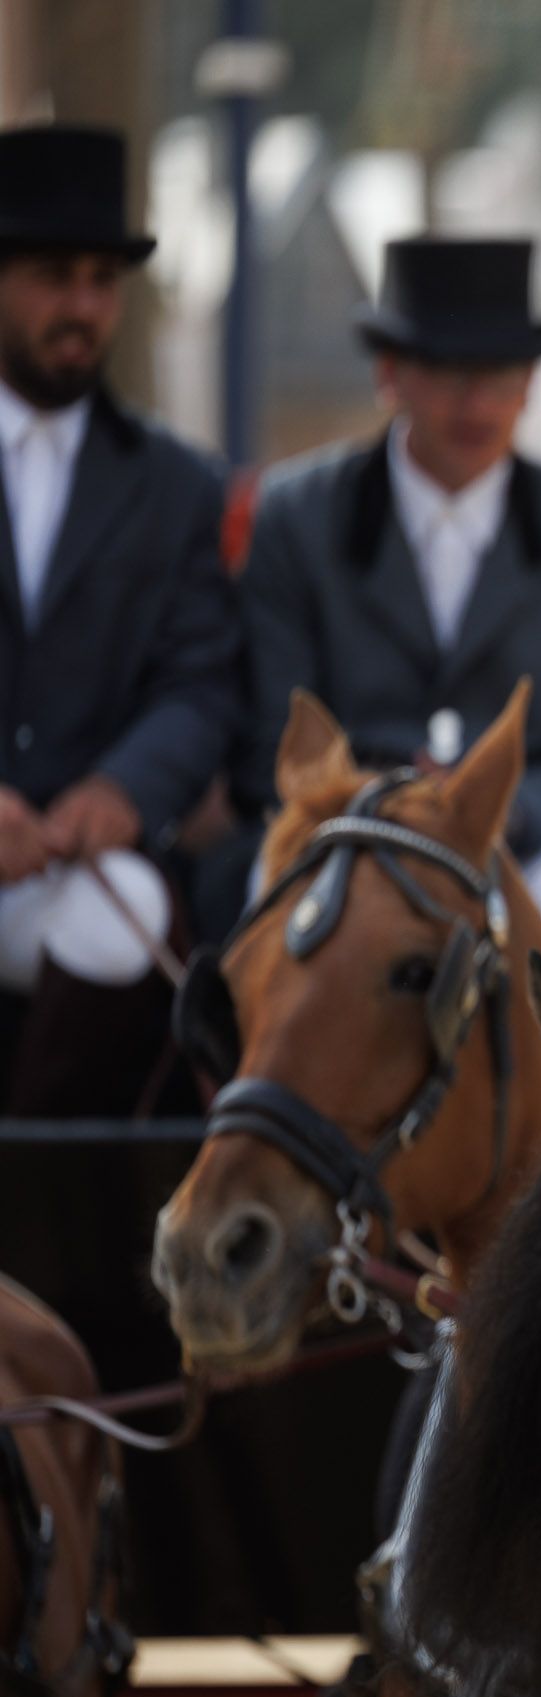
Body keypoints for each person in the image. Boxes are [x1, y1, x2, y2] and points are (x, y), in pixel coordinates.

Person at [232, 237, 541, 1011]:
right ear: (389, 375)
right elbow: (273, 727)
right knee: (270, 894)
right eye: (447, 372)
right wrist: (401, 811)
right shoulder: (298, 517)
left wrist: (502, 807)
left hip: (532, 839)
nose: (476, 402)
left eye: (499, 374)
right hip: (352, 839)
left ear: (530, 383)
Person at [0, 124, 241, 1115]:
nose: (84, 306)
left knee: (133, 912)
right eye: (56, 275)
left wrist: (124, 790)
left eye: (104, 281)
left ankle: (29, 1205)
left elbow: (200, 680)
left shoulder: (177, 485)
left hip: (80, 866)